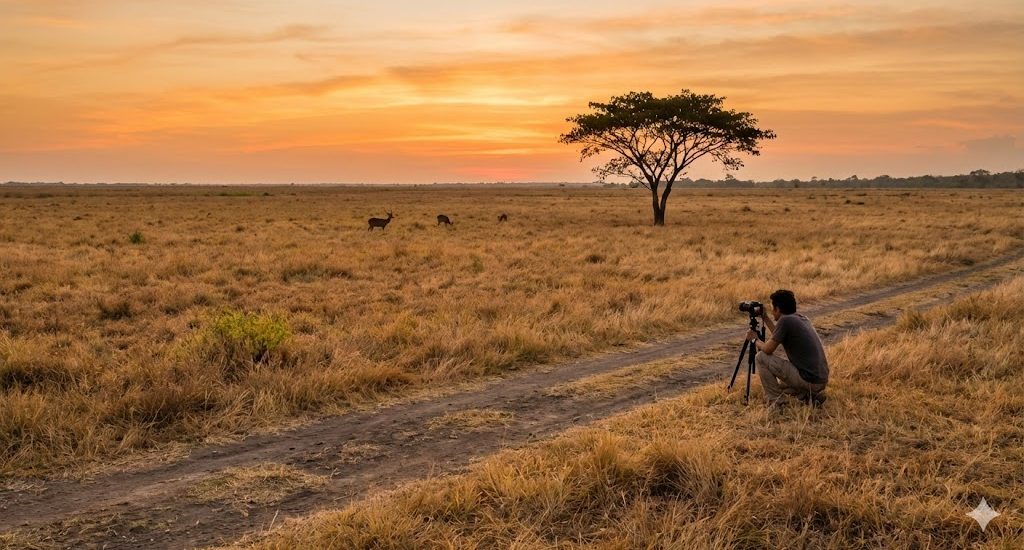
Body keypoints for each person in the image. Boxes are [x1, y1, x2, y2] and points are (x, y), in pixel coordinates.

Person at [745, 289, 829, 407]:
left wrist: (754, 340)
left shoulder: (785, 321)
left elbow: (768, 349)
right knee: (780, 387)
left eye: (773, 308)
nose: (773, 312)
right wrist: (766, 318)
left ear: (778, 309)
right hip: (819, 380)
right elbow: (779, 335)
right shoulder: (800, 318)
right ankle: (810, 396)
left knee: (760, 357)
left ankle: (777, 402)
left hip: (808, 379)